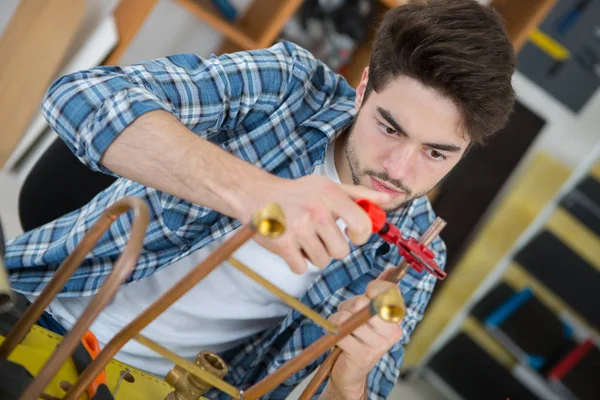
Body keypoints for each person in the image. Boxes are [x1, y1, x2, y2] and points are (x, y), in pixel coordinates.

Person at [5, 0, 515, 398]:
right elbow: (79, 95)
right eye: (388, 127)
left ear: (464, 150)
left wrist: (350, 378)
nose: (399, 171)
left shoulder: (412, 258)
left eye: (436, 153)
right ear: (362, 87)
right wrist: (260, 195)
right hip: (45, 313)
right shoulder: (289, 88)